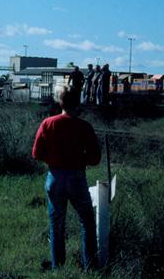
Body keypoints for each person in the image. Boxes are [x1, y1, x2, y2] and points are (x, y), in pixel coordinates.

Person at [32, 88, 101, 271]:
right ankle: (91, 268)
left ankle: (58, 269)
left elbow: (36, 153)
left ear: (59, 102)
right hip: (77, 177)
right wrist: (79, 160)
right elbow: (95, 158)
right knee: (87, 223)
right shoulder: (84, 126)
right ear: (76, 102)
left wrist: (53, 161)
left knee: (57, 225)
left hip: (54, 176)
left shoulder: (48, 123)